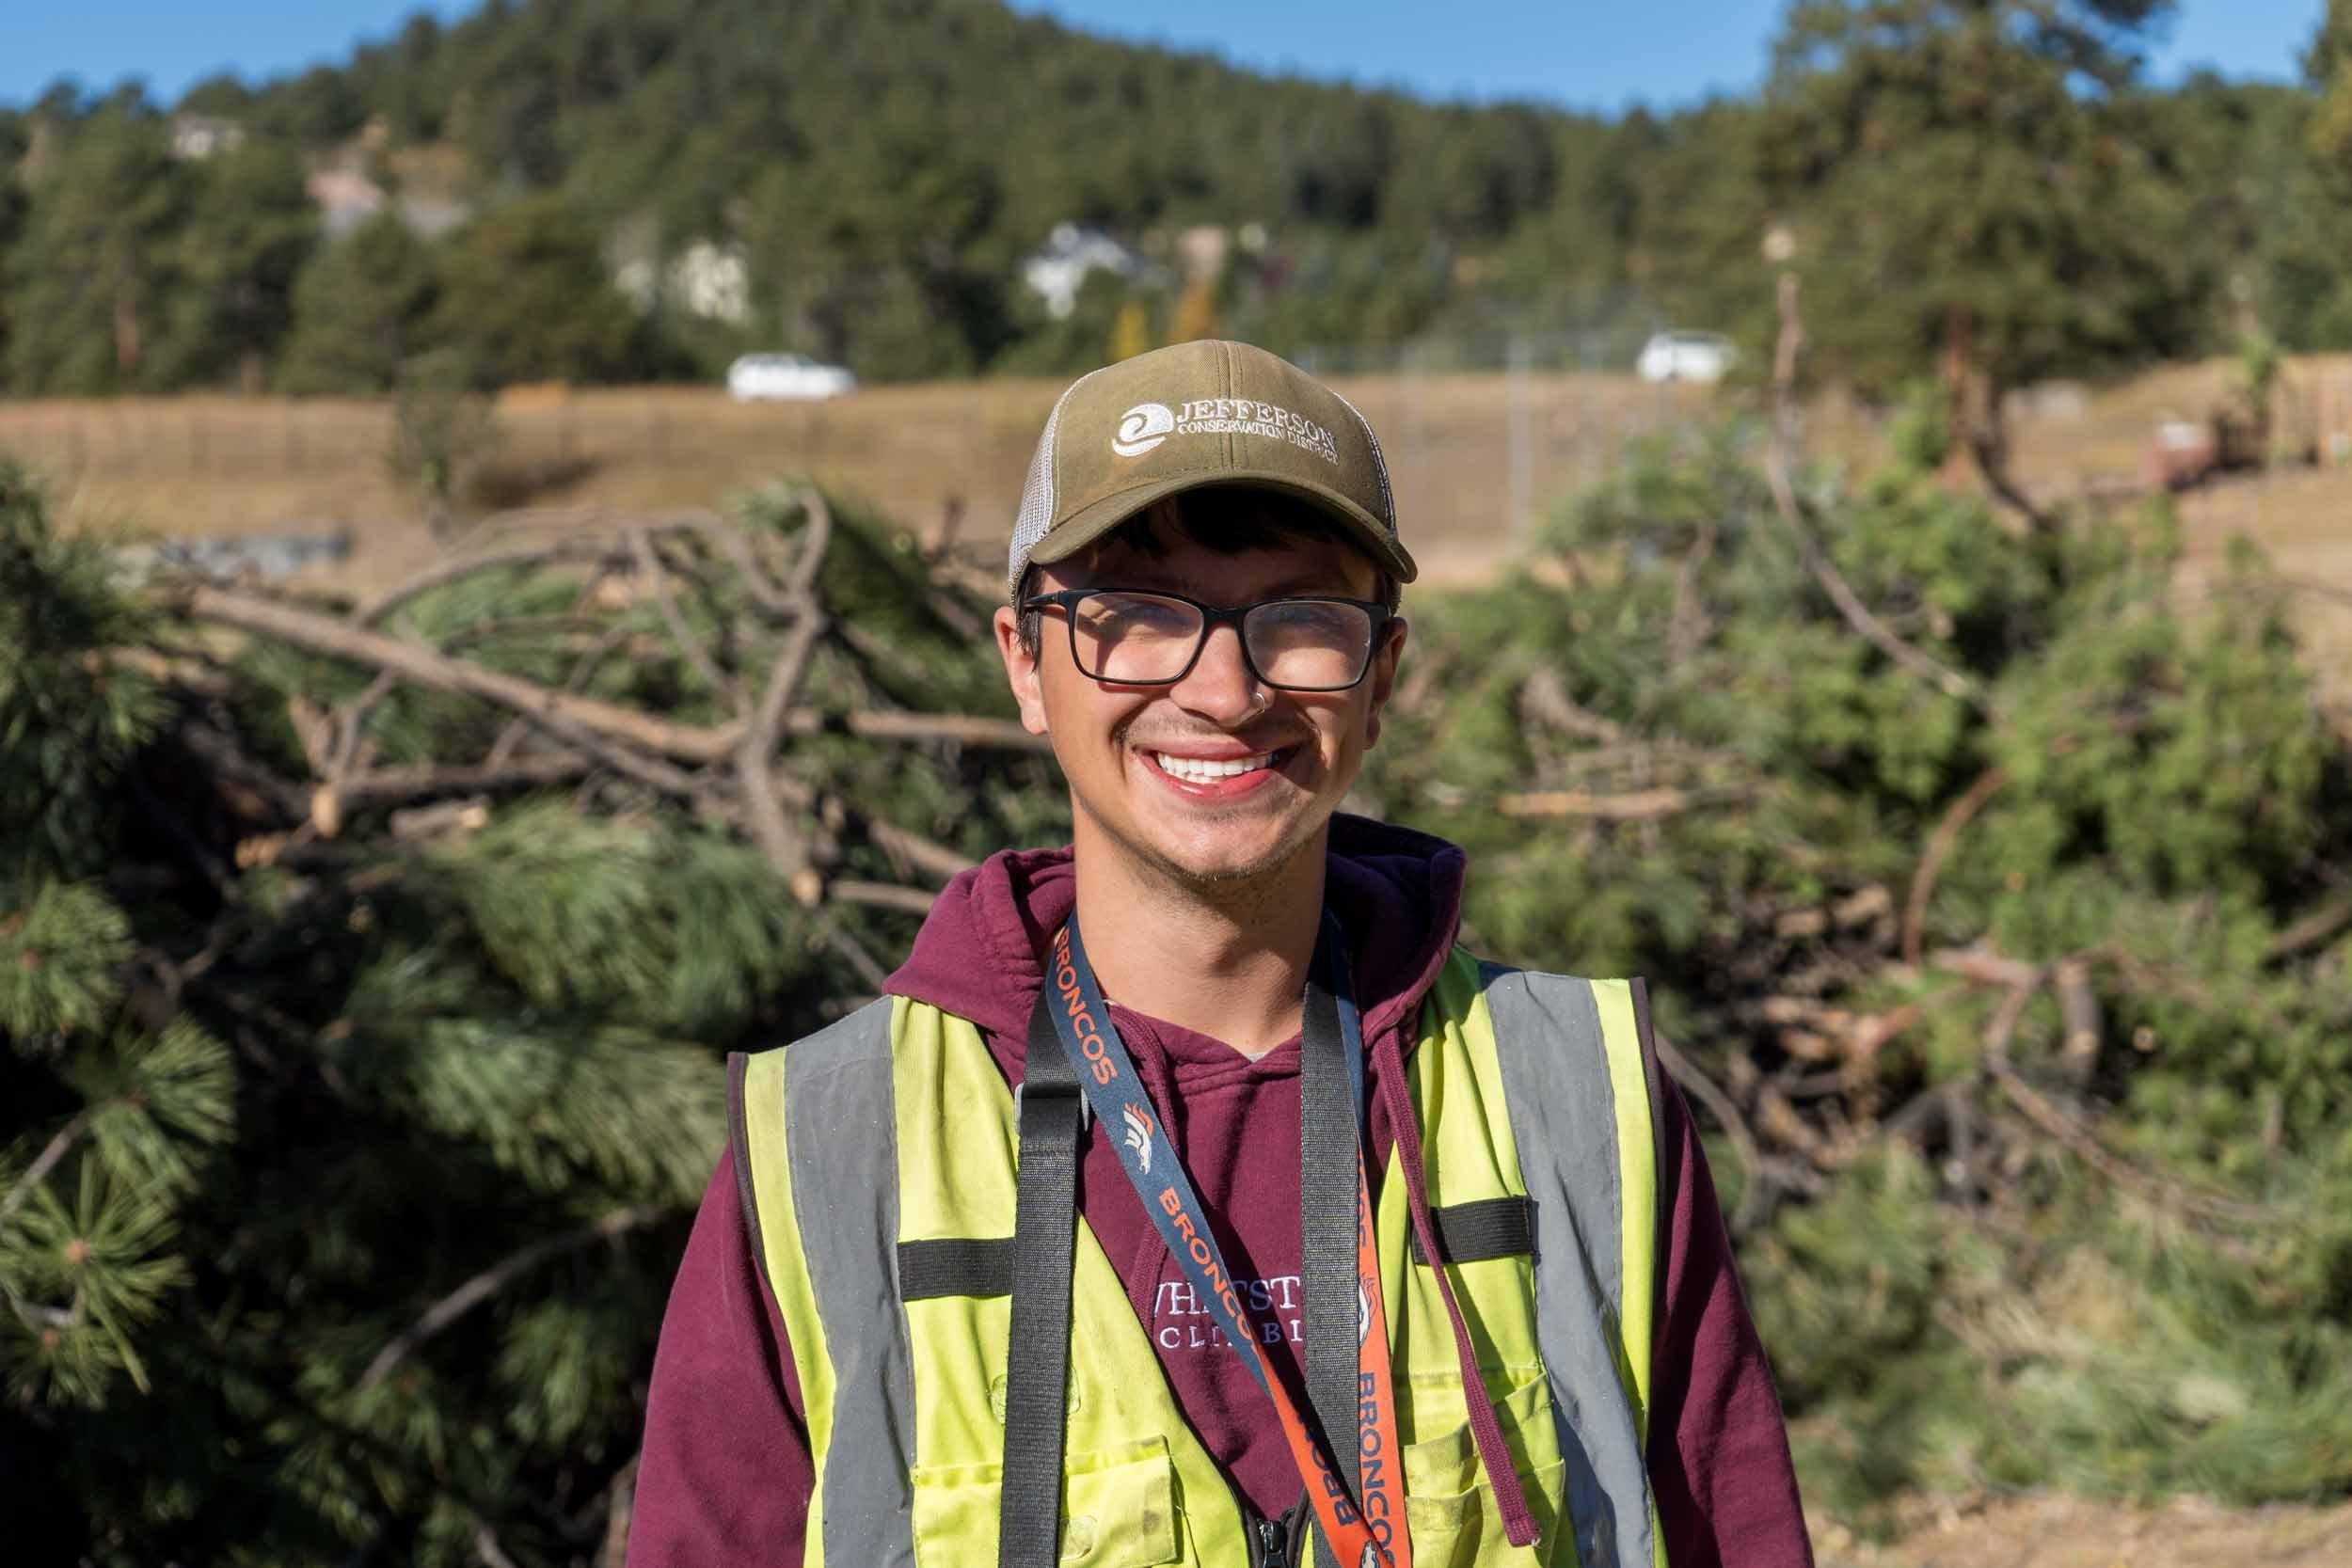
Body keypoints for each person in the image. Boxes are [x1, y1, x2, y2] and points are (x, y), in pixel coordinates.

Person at [628, 341, 1815, 1568]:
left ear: (1382, 676)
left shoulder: (1577, 1104)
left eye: (1300, 619)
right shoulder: (829, 1143)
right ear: (1025, 664)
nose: (1224, 687)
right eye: (1136, 616)